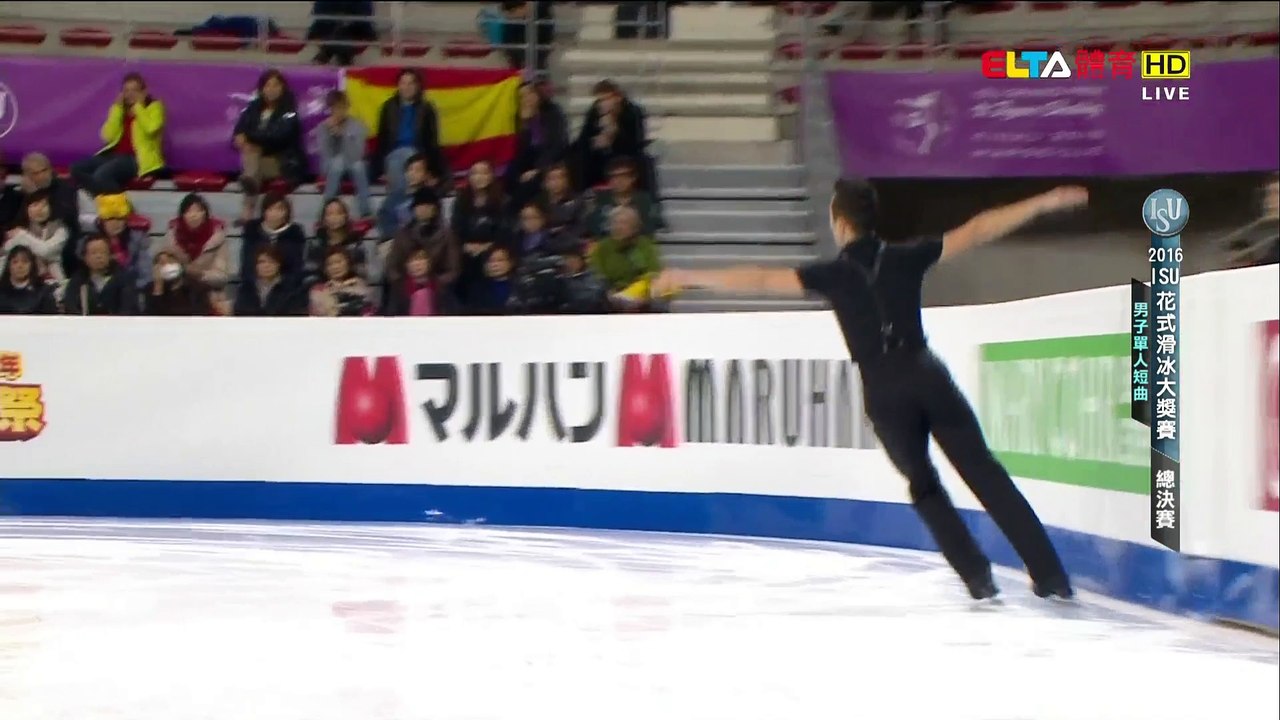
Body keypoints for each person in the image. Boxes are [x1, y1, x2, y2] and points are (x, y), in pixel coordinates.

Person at [655, 177, 1086, 601]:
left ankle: (977, 576)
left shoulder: (831, 275)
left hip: (882, 389)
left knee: (923, 483)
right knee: (985, 473)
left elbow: (761, 279)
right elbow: (976, 230)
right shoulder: (907, 256)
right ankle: (1050, 575)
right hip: (926, 372)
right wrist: (1043, 201)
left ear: (840, 223)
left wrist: (689, 276)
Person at [71, 72, 166, 198]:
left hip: (136, 159)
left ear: (144, 92)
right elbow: (107, 136)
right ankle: (103, 199)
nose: (130, 94)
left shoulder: (155, 107)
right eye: (126, 90)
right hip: (114, 155)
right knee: (76, 168)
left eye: (135, 90)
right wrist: (117, 109)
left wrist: (138, 108)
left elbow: (151, 129)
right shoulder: (120, 109)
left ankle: (121, 209)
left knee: (101, 175)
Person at [371, 69, 449, 221]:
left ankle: (403, 210)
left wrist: (431, 170)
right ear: (398, 86)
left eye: (411, 83)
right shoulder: (388, 107)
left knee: (411, 160)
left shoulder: (427, 108)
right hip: (393, 154)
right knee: (398, 160)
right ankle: (409, 209)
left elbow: (432, 141)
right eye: (403, 83)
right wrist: (380, 169)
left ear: (418, 86)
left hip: (418, 154)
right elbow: (382, 139)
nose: (406, 87)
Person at [232, 69, 308, 223]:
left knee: (252, 159)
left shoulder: (289, 110)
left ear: (282, 88)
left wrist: (251, 139)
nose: (271, 89)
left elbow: (279, 137)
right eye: (268, 85)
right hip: (258, 161)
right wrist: (239, 137)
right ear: (261, 88)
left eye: (276, 85)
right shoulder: (253, 107)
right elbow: (239, 130)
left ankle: (247, 213)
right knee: (252, 160)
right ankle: (250, 183)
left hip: (282, 161)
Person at [505, 80, 570, 211]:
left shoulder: (553, 113)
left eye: (529, 93)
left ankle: (514, 213)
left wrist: (539, 169)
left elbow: (558, 145)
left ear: (537, 94)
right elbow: (521, 153)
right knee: (509, 175)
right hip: (528, 163)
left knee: (529, 184)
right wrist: (525, 125)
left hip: (551, 162)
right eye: (522, 97)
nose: (527, 99)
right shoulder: (519, 118)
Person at [314, 90, 373, 219]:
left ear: (347, 107)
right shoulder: (323, 127)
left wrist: (343, 135)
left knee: (358, 166)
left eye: (341, 108)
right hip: (331, 166)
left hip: (353, 161)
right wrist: (330, 135)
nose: (338, 112)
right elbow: (326, 154)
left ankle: (365, 211)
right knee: (337, 163)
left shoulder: (357, 125)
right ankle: (327, 208)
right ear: (330, 109)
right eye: (334, 108)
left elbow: (360, 153)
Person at [63, 235, 141, 316]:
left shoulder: (124, 279)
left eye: (103, 252)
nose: (99, 256)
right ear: (85, 257)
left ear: (110, 256)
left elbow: (128, 309)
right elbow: (70, 307)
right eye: (94, 253)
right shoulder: (77, 280)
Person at [0, 245, 57, 315]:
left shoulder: (44, 292)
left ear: (32, 265)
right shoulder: (2, 291)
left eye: (25, 262)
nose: (20, 266)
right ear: (9, 266)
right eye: (15, 262)